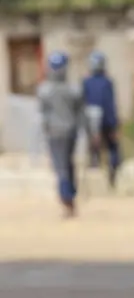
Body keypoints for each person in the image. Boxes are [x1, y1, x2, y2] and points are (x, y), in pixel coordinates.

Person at [37, 51, 84, 218]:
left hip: (56, 134)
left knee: (61, 167)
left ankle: (66, 199)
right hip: (70, 132)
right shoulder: (73, 89)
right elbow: (80, 112)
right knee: (68, 165)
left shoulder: (45, 90)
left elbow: (43, 114)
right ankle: (70, 197)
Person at [82, 50, 121, 189]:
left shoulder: (86, 82)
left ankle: (96, 167)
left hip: (91, 122)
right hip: (105, 121)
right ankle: (111, 174)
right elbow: (109, 103)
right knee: (112, 149)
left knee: (94, 148)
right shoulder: (106, 82)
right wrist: (114, 124)